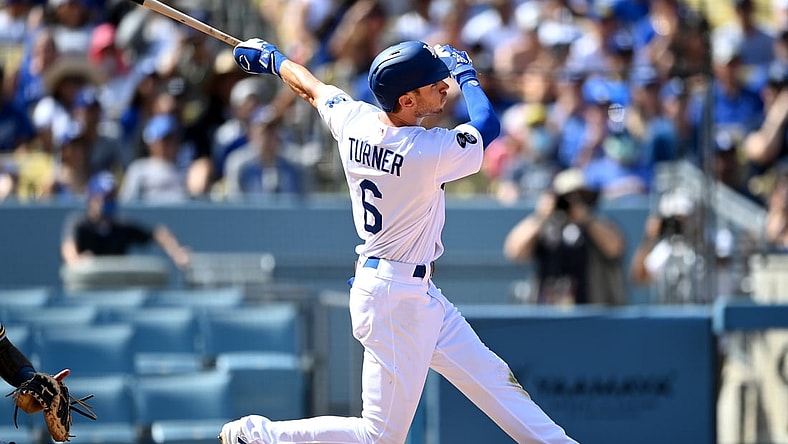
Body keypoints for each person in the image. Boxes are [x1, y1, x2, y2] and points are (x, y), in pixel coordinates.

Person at [219, 38, 577, 443]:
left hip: (412, 290)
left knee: (494, 379)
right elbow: (488, 127)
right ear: (406, 100)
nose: (445, 87)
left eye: (444, 80)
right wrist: (468, 75)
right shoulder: (422, 151)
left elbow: (312, 89)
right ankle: (258, 435)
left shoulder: (355, 120)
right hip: (394, 297)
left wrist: (274, 60)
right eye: (433, 83)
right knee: (380, 437)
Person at [503, 168, 626, 306]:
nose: (574, 202)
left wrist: (586, 219)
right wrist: (540, 217)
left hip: (594, 312)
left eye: (582, 196)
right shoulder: (544, 228)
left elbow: (615, 248)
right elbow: (515, 252)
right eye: (567, 197)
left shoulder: (600, 224)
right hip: (549, 313)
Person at [61, 170, 190, 268]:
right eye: (104, 197)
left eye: (112, 197)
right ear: (92, 198)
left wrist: (176, 252)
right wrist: (79, 262)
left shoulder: (121, 227)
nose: (107, 202)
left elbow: (158, 234)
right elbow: (69, 251)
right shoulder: (79, 224)